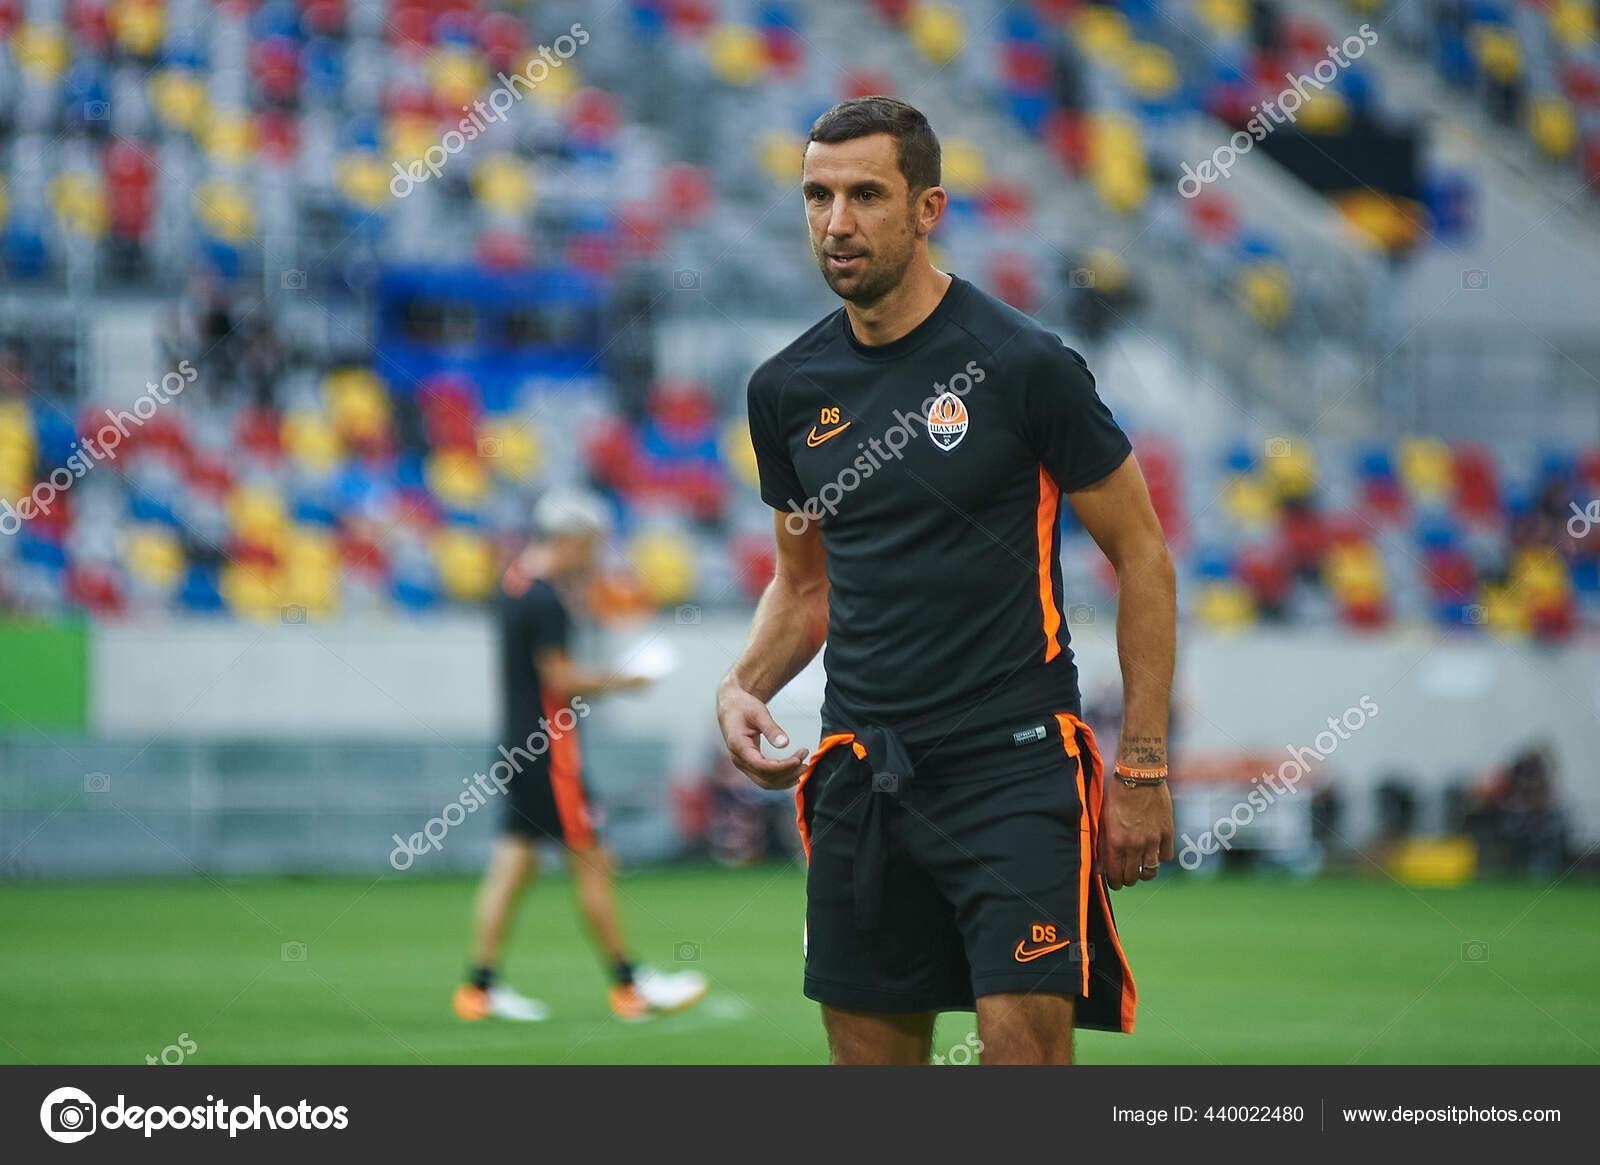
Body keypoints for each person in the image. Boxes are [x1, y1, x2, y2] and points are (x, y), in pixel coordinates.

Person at [716, 97, 1176, 1065]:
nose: (836, 223)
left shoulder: (1023, 366)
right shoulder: (785, 390)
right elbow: (804, 587)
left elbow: (1141, 556)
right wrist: (742, 684)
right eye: (817, 196)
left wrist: (1139, 764)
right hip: (859, 775)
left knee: (1020, 1060)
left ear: (927, 209)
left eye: (866, 195)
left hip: (1011, 770)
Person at [454, 488, 708, 1022]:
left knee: (513, 863)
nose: (596, 553)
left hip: (517, 744)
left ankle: (478, 988)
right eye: (592, 542)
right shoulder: (544, 597)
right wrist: (627, 680)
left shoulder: (514, 582)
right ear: (570, 539)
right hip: (550, 750)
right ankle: (629, 985)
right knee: (594, 860)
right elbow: (560, 678)